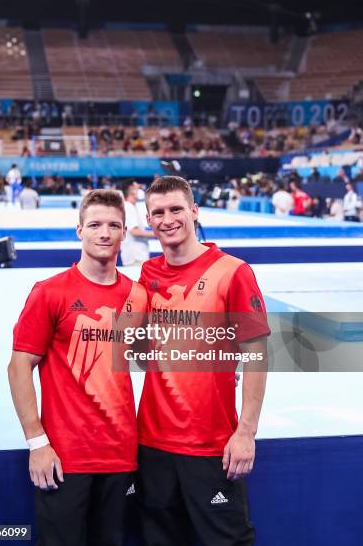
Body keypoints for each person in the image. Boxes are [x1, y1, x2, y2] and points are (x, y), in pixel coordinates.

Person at [8, 189, 147, 546]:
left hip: (120, 453)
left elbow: (152, 354)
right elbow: (19, 366)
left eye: (114, 225)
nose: (105, 232)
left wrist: (218, 360)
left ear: (124, 232)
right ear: (79, 231)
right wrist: (37, 442)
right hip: (66, 456)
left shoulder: (138, 296)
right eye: (95, 224)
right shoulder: (50, 292)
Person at [136, 176, 270, 546]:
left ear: (194, 211)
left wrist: (246, 432)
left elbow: (257, 355)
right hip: (151, 443)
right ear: (148, 221)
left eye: (176, 209)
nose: (168, 219)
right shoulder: (148, 275)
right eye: (158, 212)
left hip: (211, 444)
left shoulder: (233, 271)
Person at [121, 179, 155, 267]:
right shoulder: (128, 207)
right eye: (137, 188)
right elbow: (135, 231)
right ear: (132, 191)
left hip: (137, 257)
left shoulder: (132, 207)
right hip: (135, 258)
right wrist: (157, 234)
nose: (140, 190)